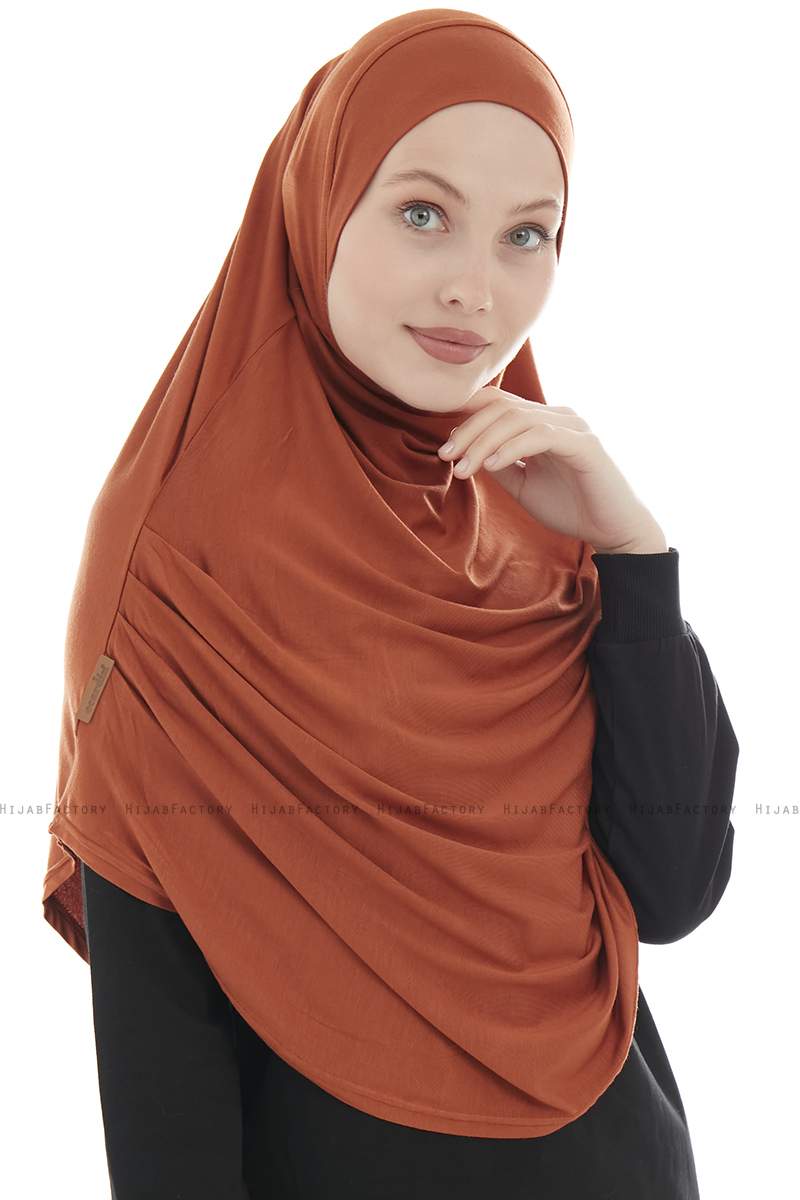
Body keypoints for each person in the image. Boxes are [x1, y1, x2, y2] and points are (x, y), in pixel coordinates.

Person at [42, 9, 737, 1198]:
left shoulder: (534, 515)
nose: (475, 290)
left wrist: (634, 556)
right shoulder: (176, 563)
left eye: (526, 235)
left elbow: (669, 893)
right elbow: (164, 1063)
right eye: (422, 213)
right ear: (318, 204)